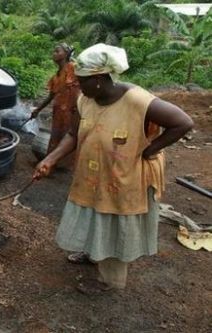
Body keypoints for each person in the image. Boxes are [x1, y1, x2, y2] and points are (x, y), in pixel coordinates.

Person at [32, 43, 194, 294]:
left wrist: (149, 150)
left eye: (82, 80)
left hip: (124, 176)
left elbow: (183, 123)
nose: (77, 84)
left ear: (98, 79)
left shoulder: (137, 100)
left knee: (113, 221)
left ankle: (109, 281)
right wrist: (50, 159)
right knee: (92, 213)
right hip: (94, 171)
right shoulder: (85, 99)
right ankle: (94, 252)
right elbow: (74, 134)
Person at [31, 43, 80, 167]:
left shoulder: (73, 68)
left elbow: (80, 90)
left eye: (57, 51)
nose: (54, 53)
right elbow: (51, 96)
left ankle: (67, 165)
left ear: (66, 54)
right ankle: (54, 164)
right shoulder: (56, 77)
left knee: (70, 137)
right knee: (56, 137)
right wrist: (38, 109)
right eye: (54, 51)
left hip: (72, 111)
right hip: (59, 112)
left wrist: (78, 110)